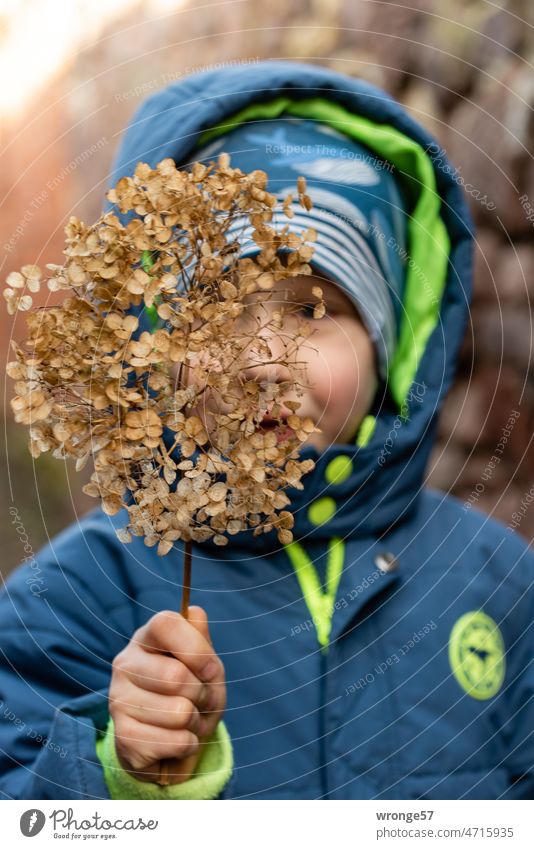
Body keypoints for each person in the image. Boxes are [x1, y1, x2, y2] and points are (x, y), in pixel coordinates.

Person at [1, 60, 532, 801]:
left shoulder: (501, 583)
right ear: (157, 336)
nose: (261, 361)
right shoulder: (70, 602)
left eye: (312, 309)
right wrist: (120, 772)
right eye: (216, 309)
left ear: (391, 349)